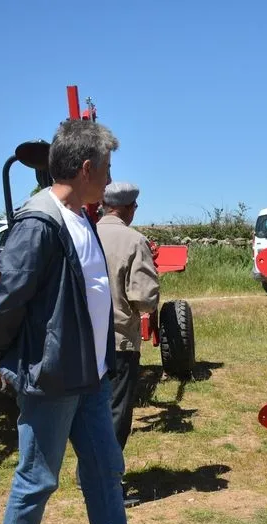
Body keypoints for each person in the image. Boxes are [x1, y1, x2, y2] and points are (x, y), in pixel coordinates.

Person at [0, 119, 190, 524]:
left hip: (90, 375)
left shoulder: (80, 218)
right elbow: (10, 295)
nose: (111, 177)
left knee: (104, 473)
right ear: (87, 168)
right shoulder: (40, 222)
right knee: (37, 478)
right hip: (53, 376)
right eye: (108, 167)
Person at [95, 182, 159, 451]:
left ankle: (88, 469)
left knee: (89, 413)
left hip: (81, 342)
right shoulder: (134, 241)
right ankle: (107, 472)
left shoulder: (83, 235)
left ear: (104, 206)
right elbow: (144, 300)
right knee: (116, 411)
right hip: (118, 342)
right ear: (129, 208)